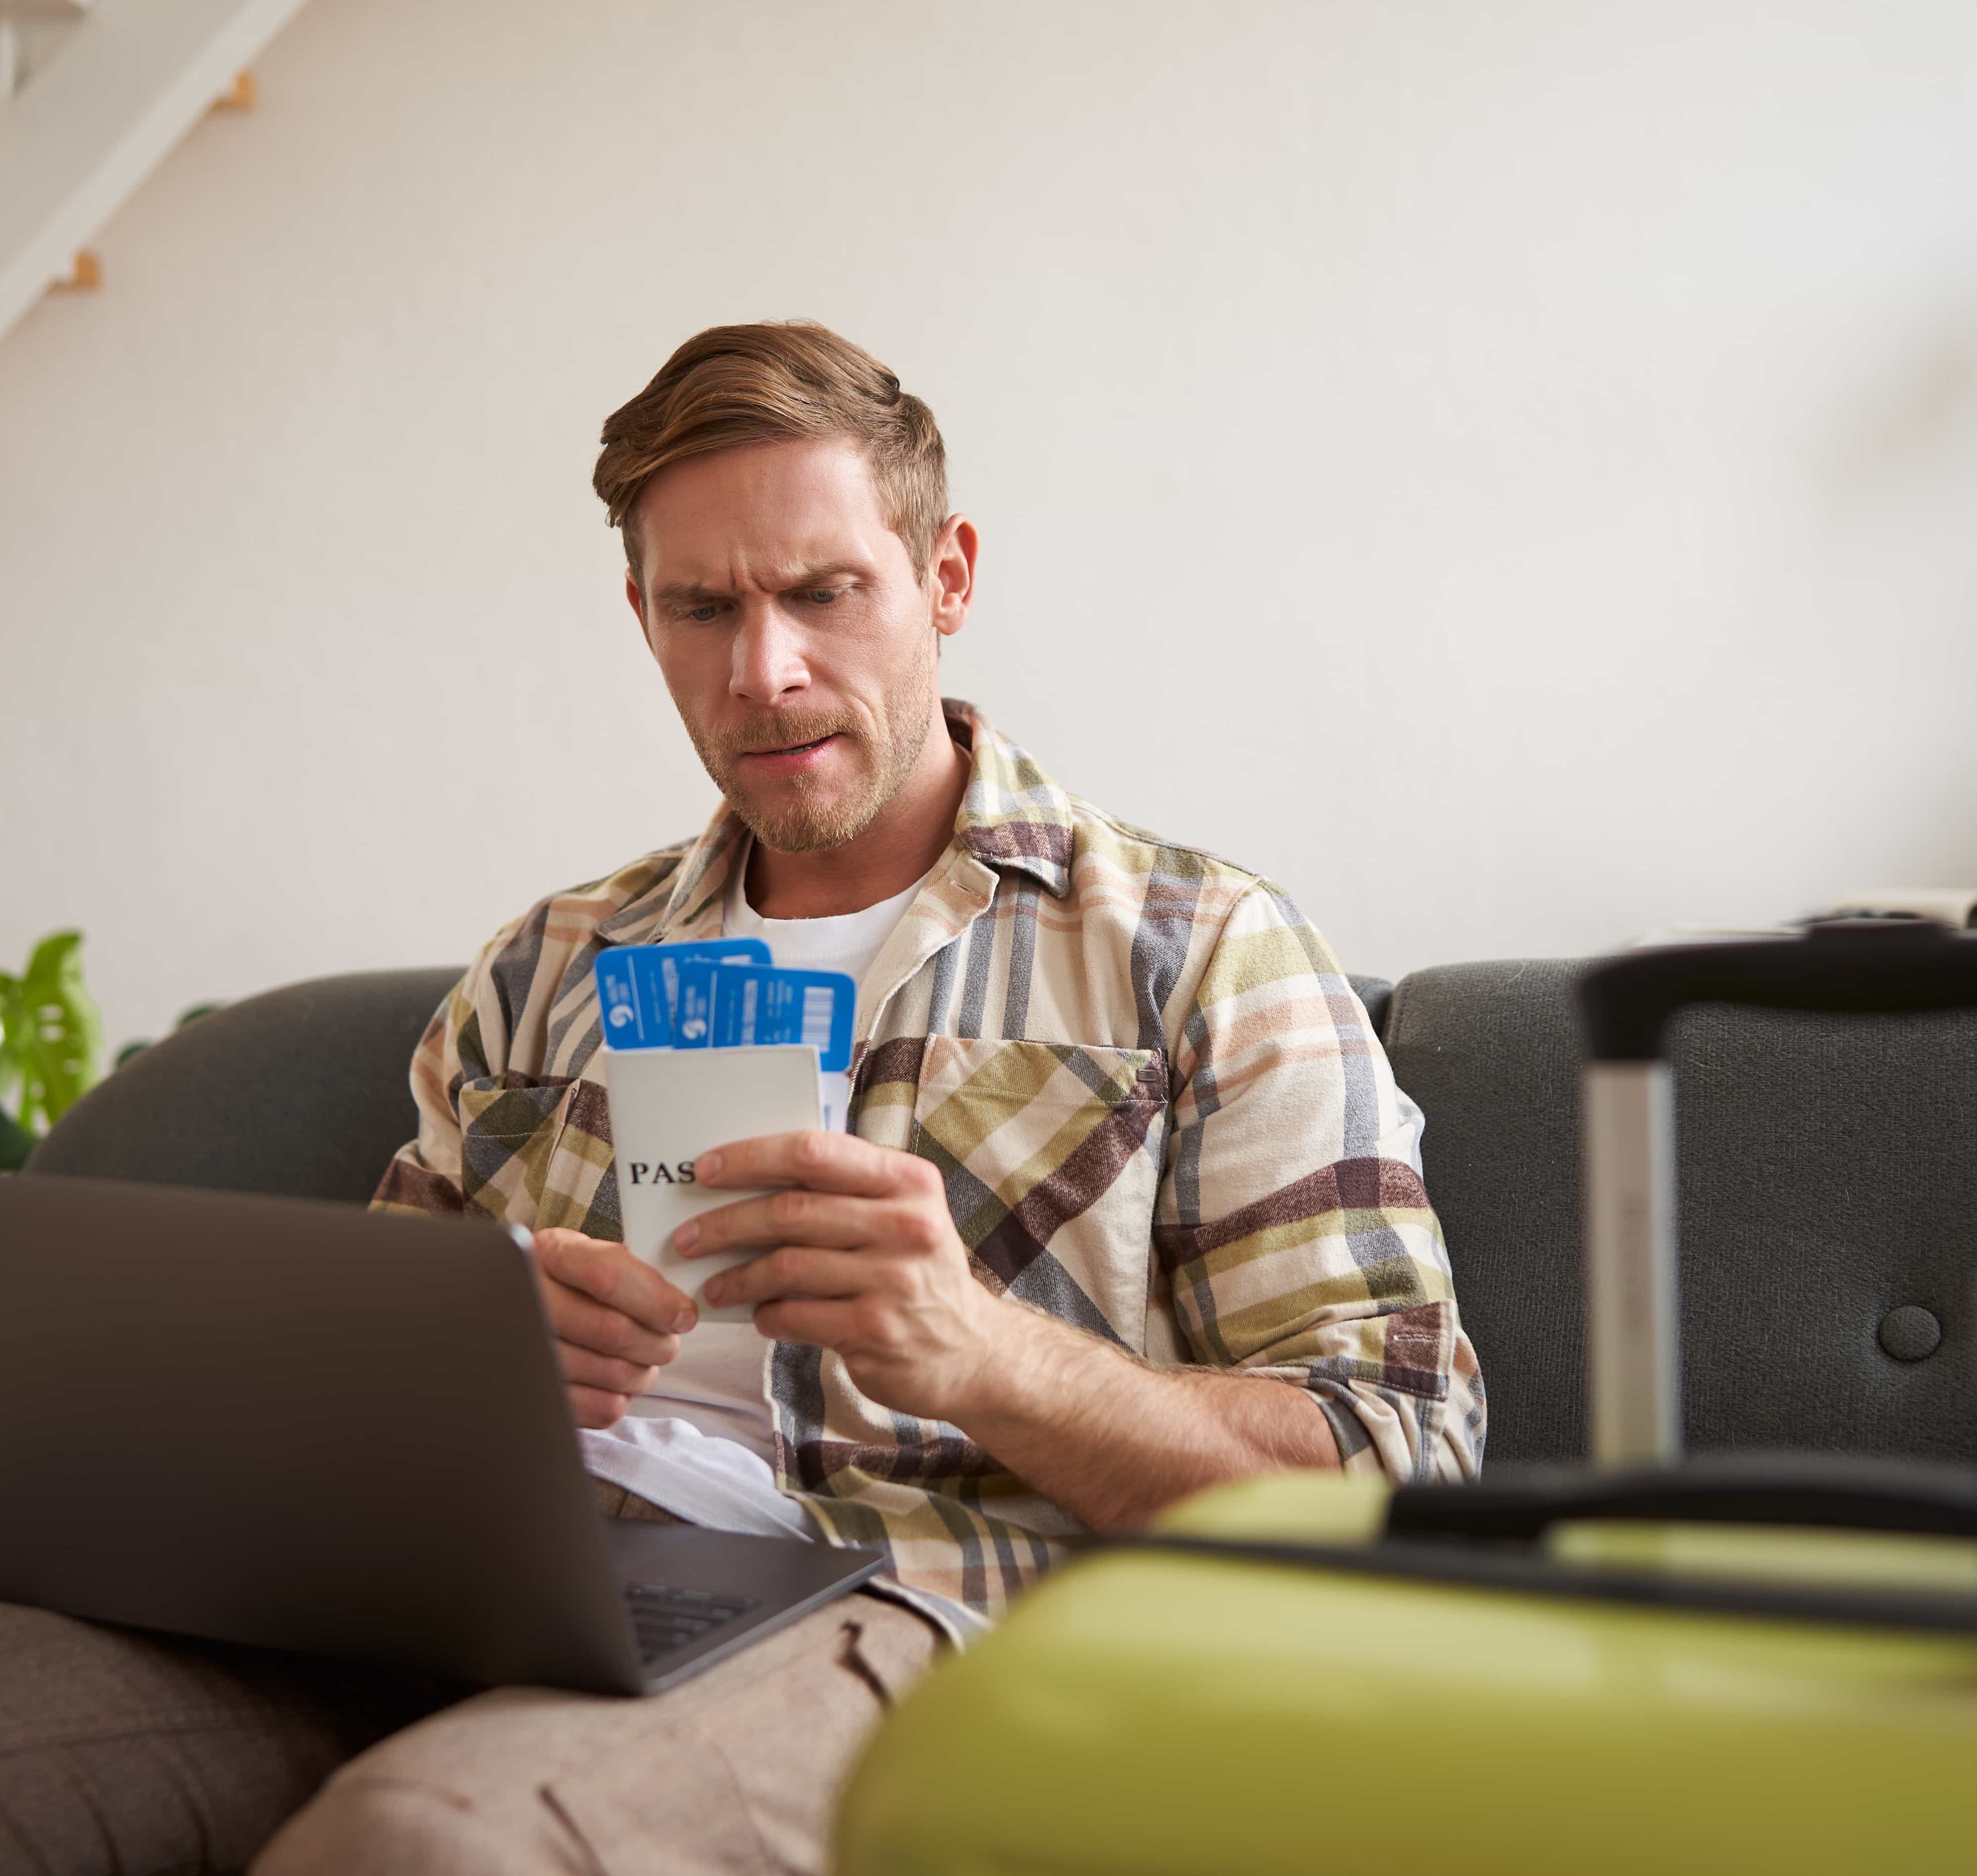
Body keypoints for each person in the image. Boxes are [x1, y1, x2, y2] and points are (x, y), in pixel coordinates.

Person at [0, 322, 1483, 1876]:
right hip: (485, 1597)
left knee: (437, 1838)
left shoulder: (1201, 954)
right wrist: (468, 1359)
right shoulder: (541, 970)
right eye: (701, 607)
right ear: (641, 613)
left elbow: (1399, 1471)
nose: (760, 672)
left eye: (822, 591)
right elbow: (339, 1415)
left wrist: (984, 1355)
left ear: (946, 578)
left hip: (911, 1602)